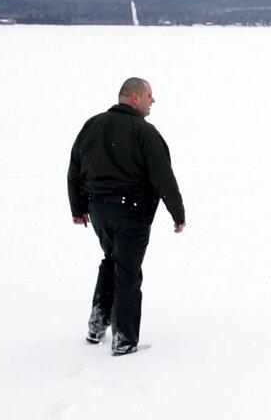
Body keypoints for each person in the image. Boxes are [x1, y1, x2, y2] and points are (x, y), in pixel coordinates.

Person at [67, 77, 186, 356]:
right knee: (128, 274)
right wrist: (177, 213)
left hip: (98, 211)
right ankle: (125, 341)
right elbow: (162, 177)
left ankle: (97, 326)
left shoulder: (92, 125)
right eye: (149, 96)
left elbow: (74, 168)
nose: (152, 101)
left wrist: (78, 208)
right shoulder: (144, 132)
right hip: (131, 212)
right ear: (135, 98)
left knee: (112, 261)